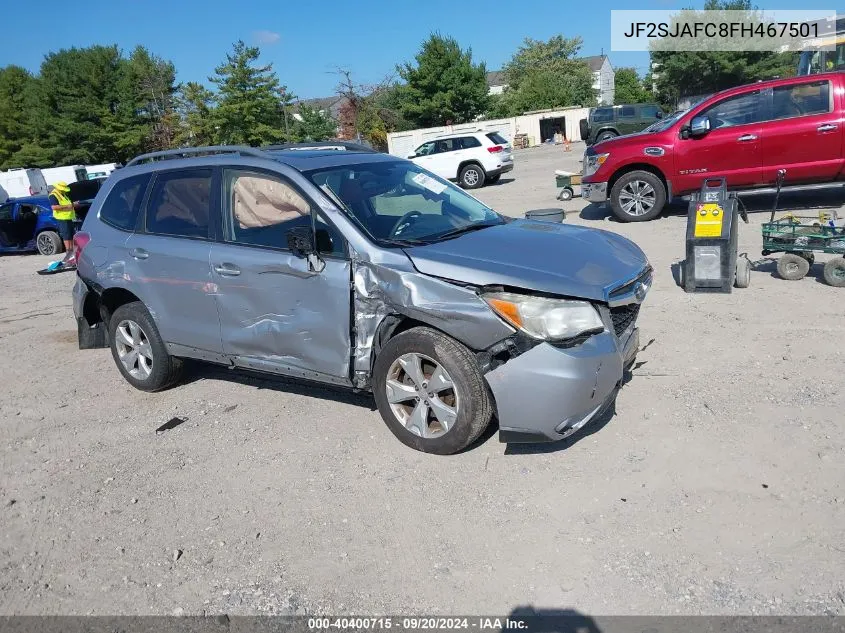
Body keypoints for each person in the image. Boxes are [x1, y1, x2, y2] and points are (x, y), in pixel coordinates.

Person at [49, 181, 77, 264]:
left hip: (68, 218)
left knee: (71, 235)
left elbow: (68, 205)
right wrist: (69, 206)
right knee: (66, 236)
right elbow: (54, 207)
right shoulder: (53, 195)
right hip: (62, 218)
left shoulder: (63, 194)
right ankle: (69, 252)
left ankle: (72, 252)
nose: (64, 190)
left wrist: (73, 205)